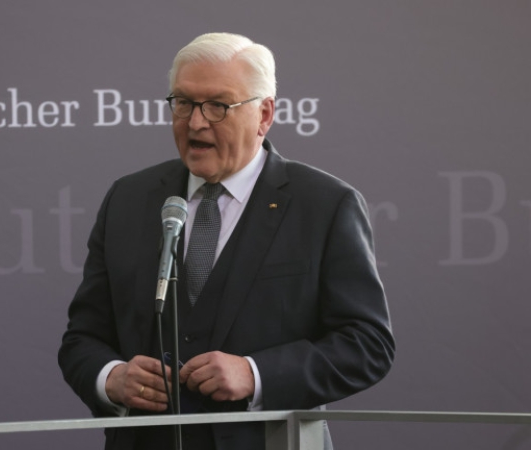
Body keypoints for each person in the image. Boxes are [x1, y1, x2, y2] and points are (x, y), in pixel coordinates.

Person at [58, 32, 395, 450]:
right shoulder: (128, 199)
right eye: (183, 102)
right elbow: (82, 338)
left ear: (264, 114)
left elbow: (367, 344)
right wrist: (111, 378)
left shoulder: (325, 205)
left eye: (218, 105)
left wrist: (256, 374)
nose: (196, 122)